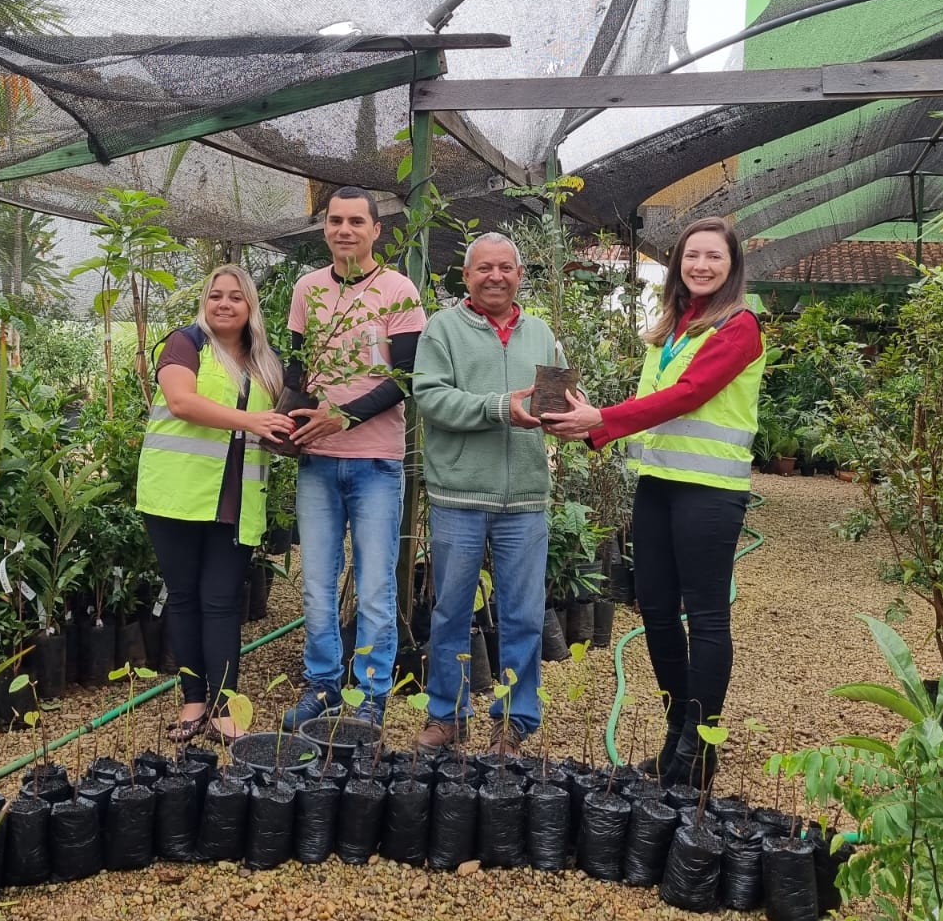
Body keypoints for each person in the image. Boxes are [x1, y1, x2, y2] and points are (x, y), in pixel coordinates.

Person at [543, 216, 764, 788]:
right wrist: (589, 423)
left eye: (713, 257)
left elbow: (690, 396)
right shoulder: (674, 327)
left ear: (732, 266)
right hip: (659, 486)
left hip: (711, 495)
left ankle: (700, 746)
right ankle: (676, 742)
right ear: (677, 265)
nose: (701, 266)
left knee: (707, 617)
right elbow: (652, 403)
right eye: (692, 256)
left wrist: (604, 421)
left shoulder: (739, 327)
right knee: (658, 613)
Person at [280, 186, 426, 731]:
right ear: (325, 229)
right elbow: (296, 372)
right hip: (317, 461)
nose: (345, 230)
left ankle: (369, 696)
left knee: (375, 584)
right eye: (335, 221)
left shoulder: (398, 290)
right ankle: (321, 686)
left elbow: (406, 377)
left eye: (355, 222)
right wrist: (288, 422)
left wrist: (344, 416)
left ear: (374, 230)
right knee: (317, 581)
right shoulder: (307, 290)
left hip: (376, 462)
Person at [412, 232, 561, 757]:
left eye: (505, 268)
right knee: (451, 610)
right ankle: (448, 715)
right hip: (459, 493)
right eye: (484, 268)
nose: (495, 276)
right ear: (466, 275)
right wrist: (499, 407)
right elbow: (430, 397)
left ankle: (516, 719)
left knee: (523, 612)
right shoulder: (443, 330)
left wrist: (571, 412)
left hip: (524, 495)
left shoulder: (541, 333)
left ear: (520, 275)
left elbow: (557, 397)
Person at [135, 265, 294, 743]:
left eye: (236, 298)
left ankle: (225, 707)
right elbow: (181, 402)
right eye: (216, 296)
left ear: (250, 308)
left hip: (236, 501)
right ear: (205, 302)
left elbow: (278, 424)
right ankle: (192, 701)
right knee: (183, 598)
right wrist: (252, 420)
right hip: (176, 496)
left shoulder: (268, 362)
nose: (224, 304)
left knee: (222, 602)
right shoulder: (185, 344)